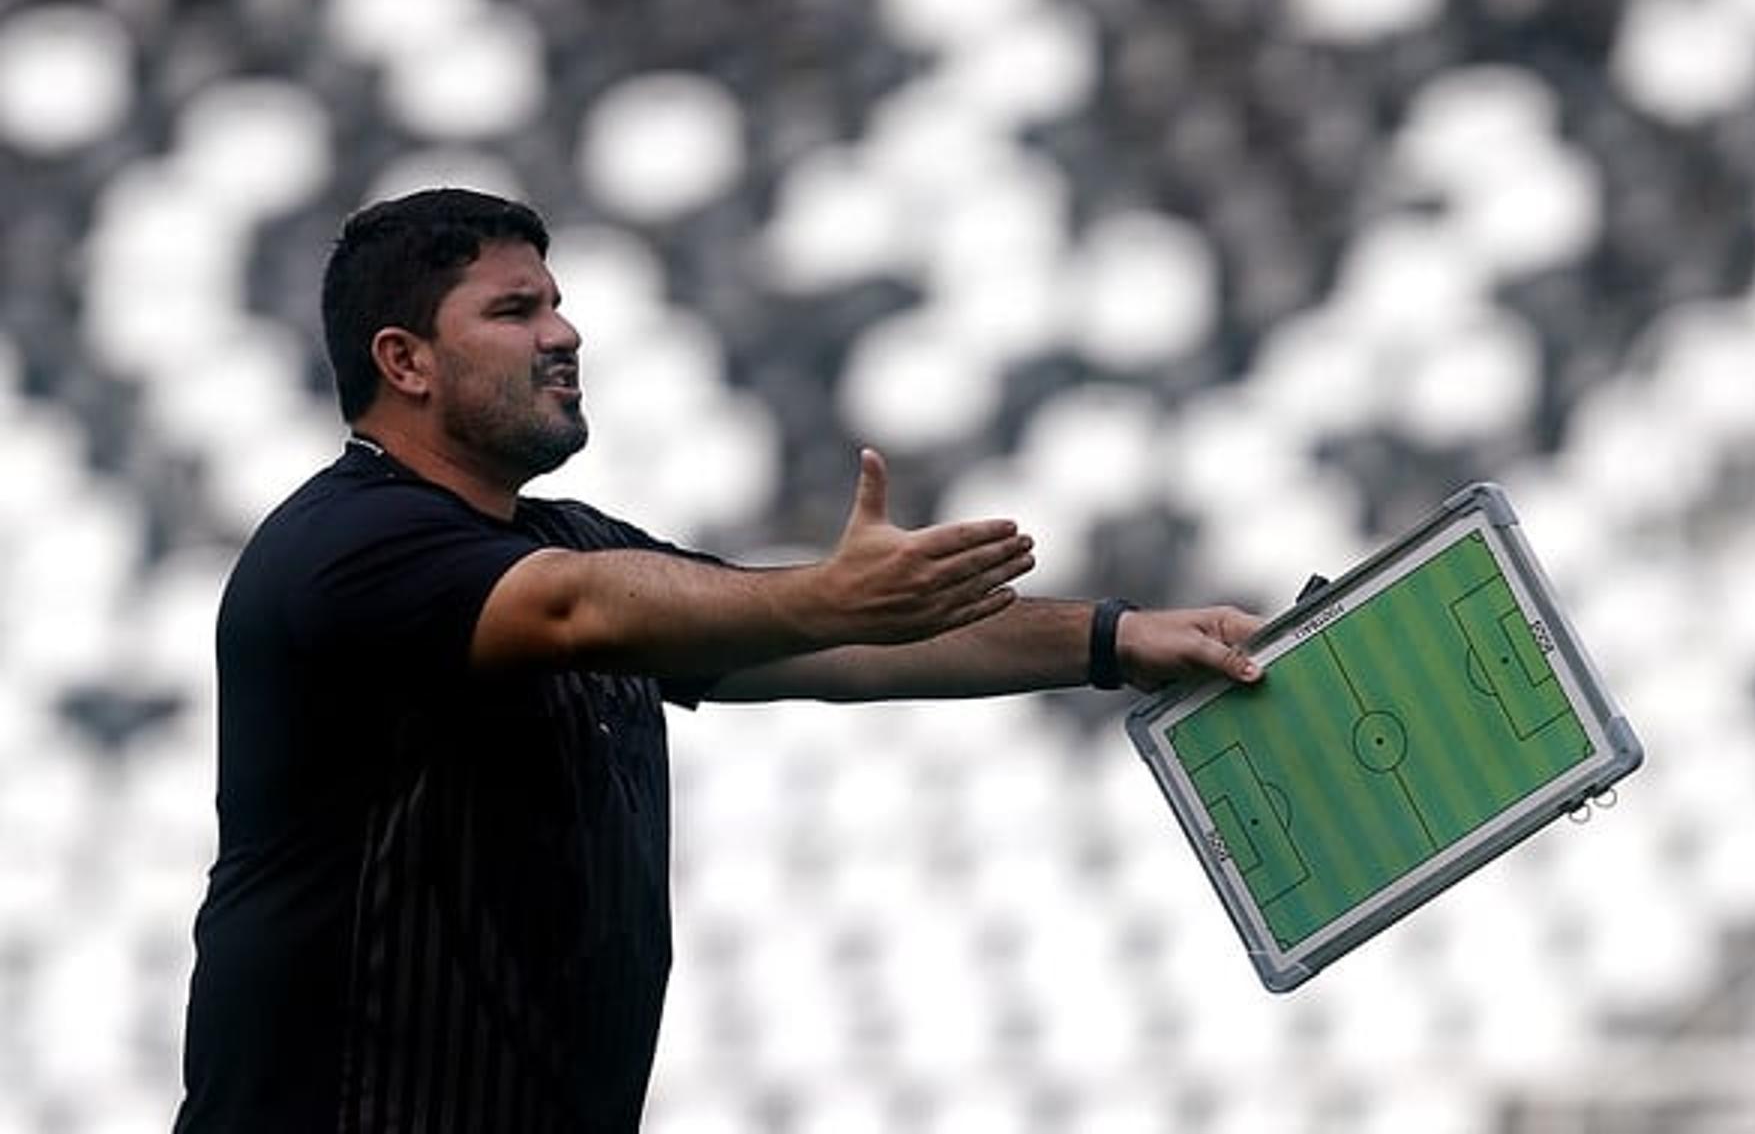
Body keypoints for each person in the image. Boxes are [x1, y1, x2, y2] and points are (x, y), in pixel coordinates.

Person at [174, 187, 1265, 1133]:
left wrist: (1113, 639)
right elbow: (572, 613)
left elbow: (821, 642)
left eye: (555, 301)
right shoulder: (345, 547)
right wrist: (824, 595)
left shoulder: (568, 539)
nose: (564, 332)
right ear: (403, 360)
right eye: (515, 310)